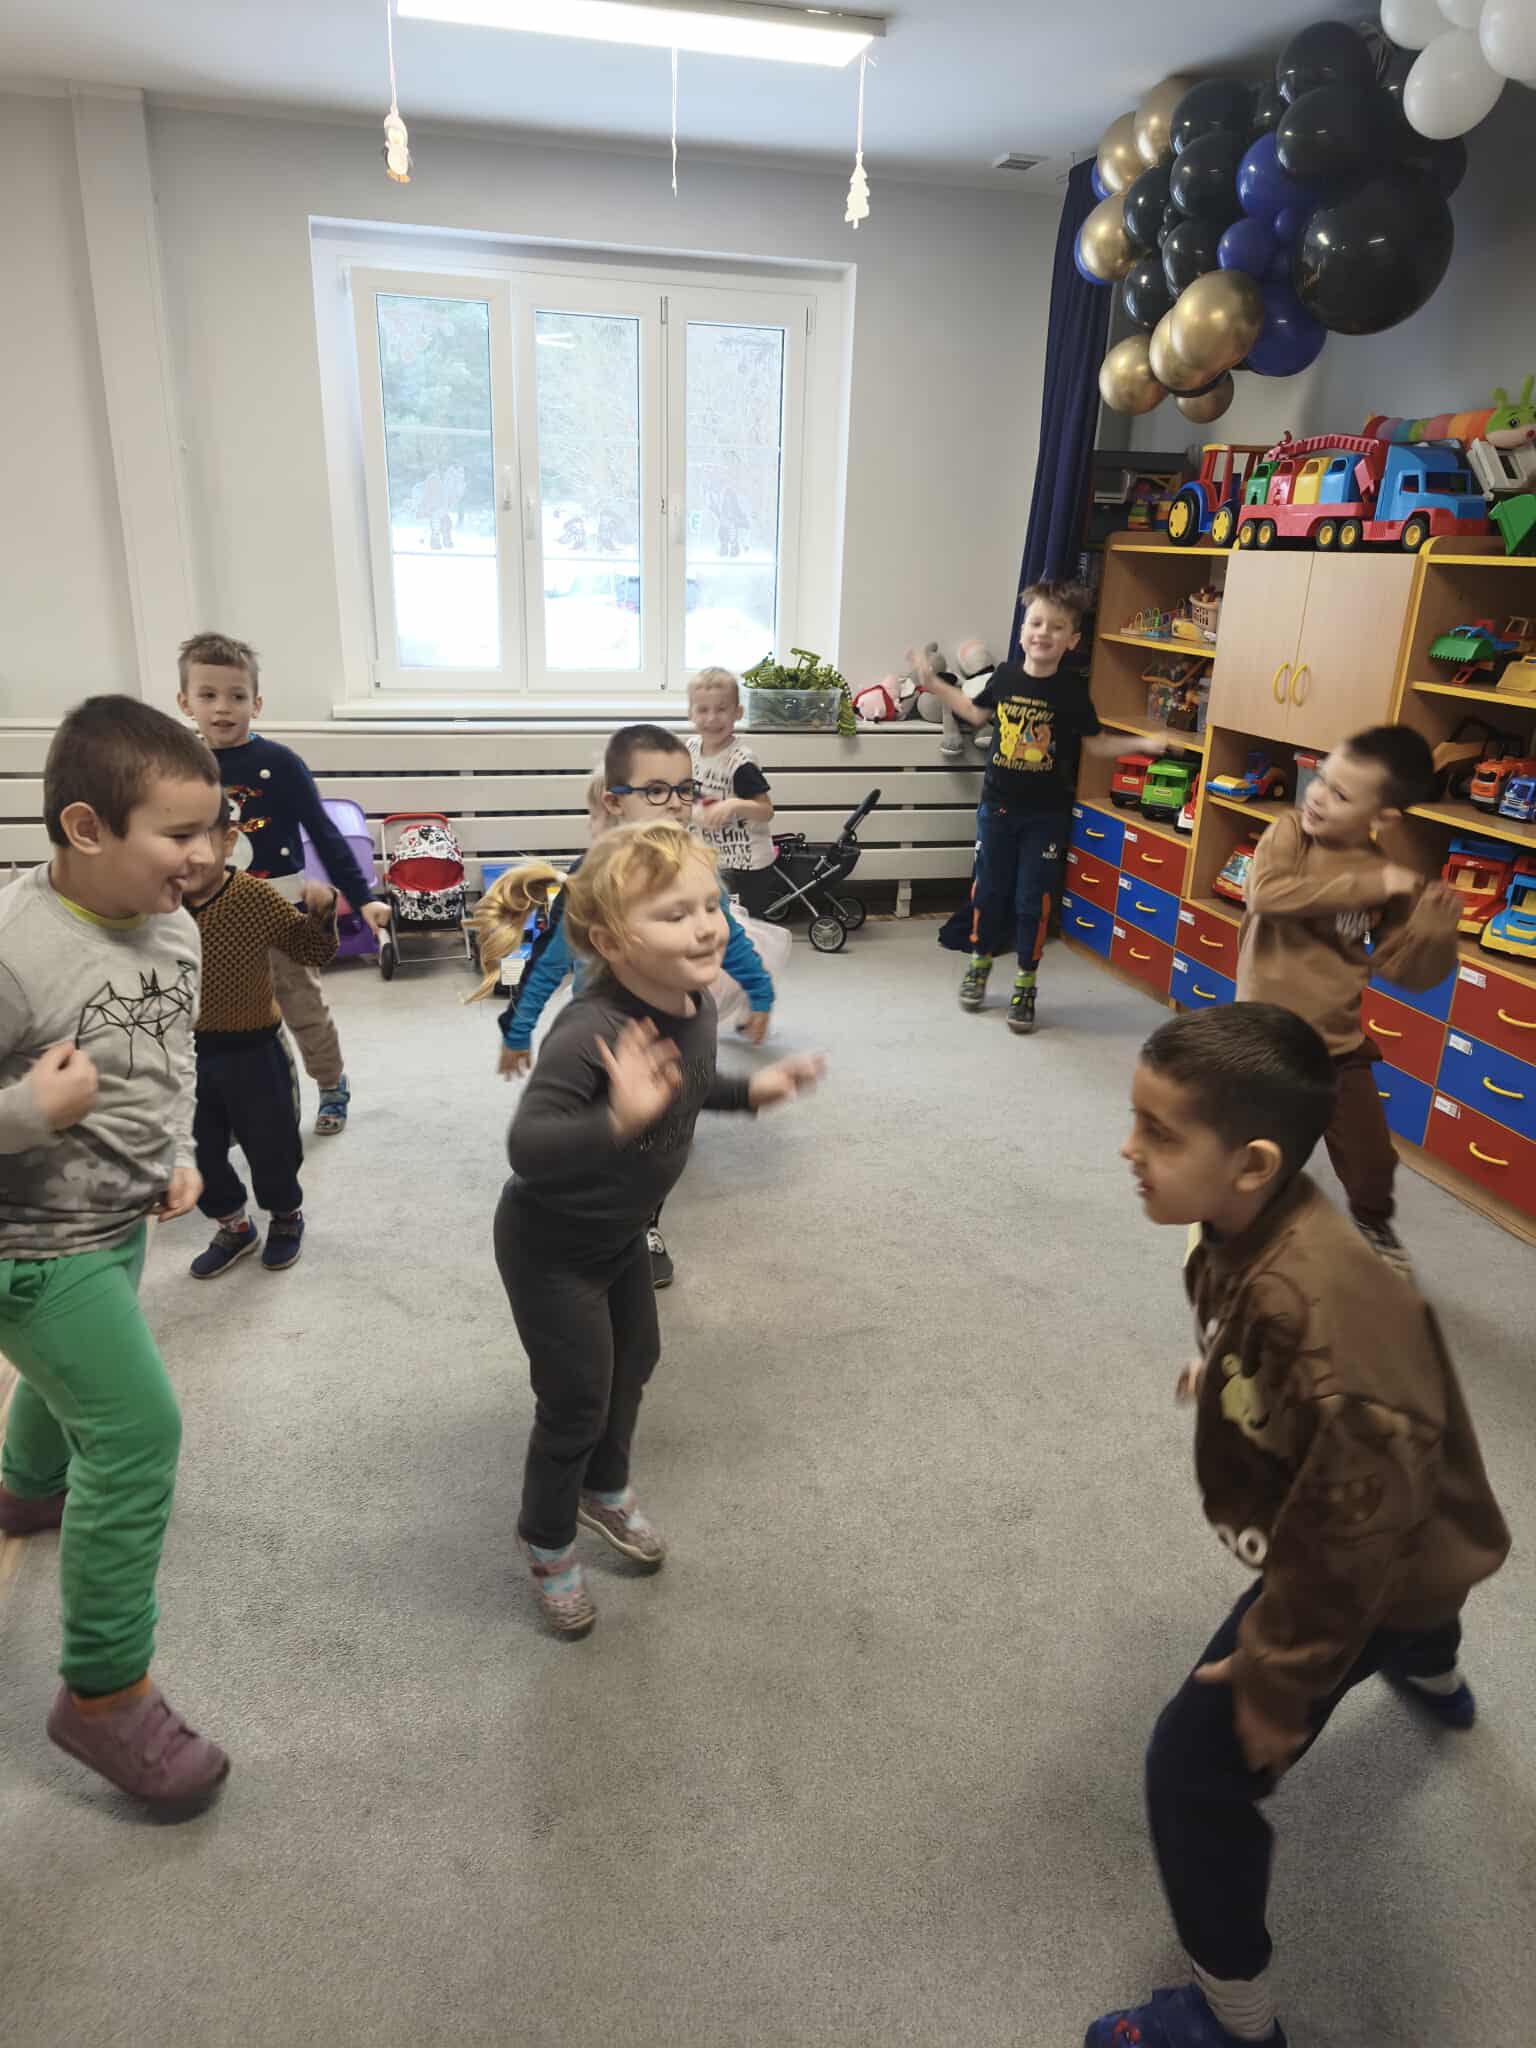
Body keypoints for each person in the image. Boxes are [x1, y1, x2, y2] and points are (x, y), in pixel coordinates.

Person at [1090, 1003, 1509, 2048]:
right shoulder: (1260, 1223)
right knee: (1424, 1598)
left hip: (1371, 1553)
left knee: (1192, 1768)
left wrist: (1278, 1677)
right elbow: (1313, 1376)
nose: (1129, 1148)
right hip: (1423, 1525)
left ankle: (1233, 2019)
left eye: (1159, 1132)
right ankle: (1430, 1661)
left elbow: (1352, 1537)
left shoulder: (1326, 1318)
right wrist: (1234, 1369)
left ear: (1253, 1162)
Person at [495, 819, 823, 1639]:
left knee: (636, 1361)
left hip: (620, 1235)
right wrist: (617, 1118)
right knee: (574, 1402)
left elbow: (690, 1083)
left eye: (710, 905)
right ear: (611, 943)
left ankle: (604, 1491)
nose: (707, 926)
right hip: (551, 1246)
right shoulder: (591, 1032)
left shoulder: (692, 1001)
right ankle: (546, 1539)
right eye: (675, 915)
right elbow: (528, 1146)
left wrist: (751, 1093)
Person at [0, 695, 231, 1812]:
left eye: (213, 828)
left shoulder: (174, 924)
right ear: (87, 828)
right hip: (26, 1246)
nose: (206, 854)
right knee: (137, 1430)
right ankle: (102, 1694)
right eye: (180, 833)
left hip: (116, 1216)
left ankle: (27, 1487)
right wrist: (26, 1112)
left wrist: (173, 1152)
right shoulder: (14, 949)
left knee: (78, 1381)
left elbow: (168, 1056)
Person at [471, 725, 777, 1289]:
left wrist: (759, 991)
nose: (676, 804)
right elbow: (548, 961)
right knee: (615, 1135)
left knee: (660, 1130)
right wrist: (518, 1028)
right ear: (615, 803)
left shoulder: (694, 869)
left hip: (675, 1017)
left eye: (684, 789)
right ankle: (624, 1223)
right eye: (655, 791)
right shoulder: (594, 880)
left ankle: (643, 1220)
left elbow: (730, 936)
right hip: (609, 1033)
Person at [1236, 725, 1459, 1276]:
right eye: (1321, 779)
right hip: (1262, 1036)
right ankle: (1241, 1230)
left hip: (1336, 1041)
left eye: (1339, 794)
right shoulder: (1291, 833)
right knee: (1257, 1149)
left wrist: (1433, 936)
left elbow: (1403, 971)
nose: (1316, 796)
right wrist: (1374, 885)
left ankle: (1372, 1224)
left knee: (1372, 1160)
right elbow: (1266, 895)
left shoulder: (1387, 877)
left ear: (1382, 817)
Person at [913, 580, 1168, 1034]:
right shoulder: (1005, 677)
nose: (1043, 632)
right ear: (1022, 631)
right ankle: (979, 964)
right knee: (989, 892)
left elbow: (1097, 743)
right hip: (997, 809)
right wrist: (931, 683)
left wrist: (1143, 744)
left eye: (1056, 626)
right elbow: (973, 713)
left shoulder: (1072, 692)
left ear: (1072, 640)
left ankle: (1025, 983)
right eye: (1036, 623)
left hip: (1045, 816)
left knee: (1032, 900)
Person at [176, 631, 391, 1136]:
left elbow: (325, 833)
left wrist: (363, 899)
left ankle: (331, 1084)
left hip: (279, 911)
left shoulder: (281, 764)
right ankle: (222, 1103)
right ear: (185, 702)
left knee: (303, 1005)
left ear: (257, 703)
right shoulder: (179, 766)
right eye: (208, 695)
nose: (222, 708)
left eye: (236, 696)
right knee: (214, 1016)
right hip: (204, 915)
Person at [183, 796, 340, 1279]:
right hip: (186, 1054)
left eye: (198, 838)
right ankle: (233, 1225)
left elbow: (309, 949)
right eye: (171, 838)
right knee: (197, 1151)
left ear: (229, 839)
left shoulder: (254, 897)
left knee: (272, 1147)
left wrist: (321, 914)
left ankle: (286, 1215)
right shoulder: (157, 904)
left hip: (254, 1049)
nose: (185, 853)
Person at [686, 668, 779, 917]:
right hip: (707, 859)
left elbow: (766, 811)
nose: (712, 718)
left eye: (721, 709)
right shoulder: (690, 749)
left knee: (743, 926)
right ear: (690, 713)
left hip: (745, 868)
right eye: (703, 710)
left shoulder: (740, 762)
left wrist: (733, 805)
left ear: (737, 712)